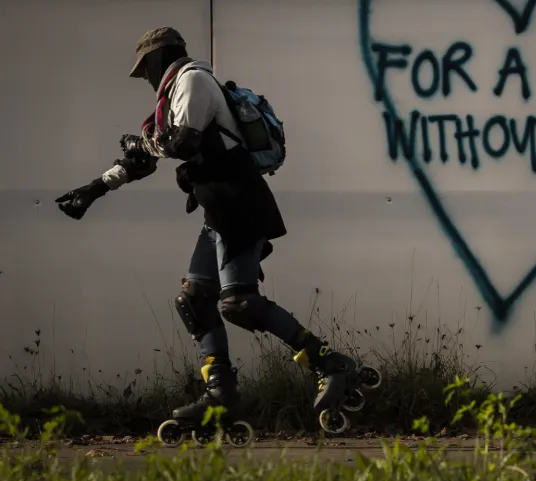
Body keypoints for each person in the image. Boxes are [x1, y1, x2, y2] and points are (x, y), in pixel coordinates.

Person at [54, 27, 366, 430]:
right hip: (219, 211)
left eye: (145, 67)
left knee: (239, 303)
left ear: (160, 56)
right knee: (195, 299)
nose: (145, 77)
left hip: (241, 206)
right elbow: (147, 157)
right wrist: (94, 189)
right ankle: (221, 395)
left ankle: (330, 363)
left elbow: (182, 143)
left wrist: (145, 144)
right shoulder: (172, 98)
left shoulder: (194, 81)